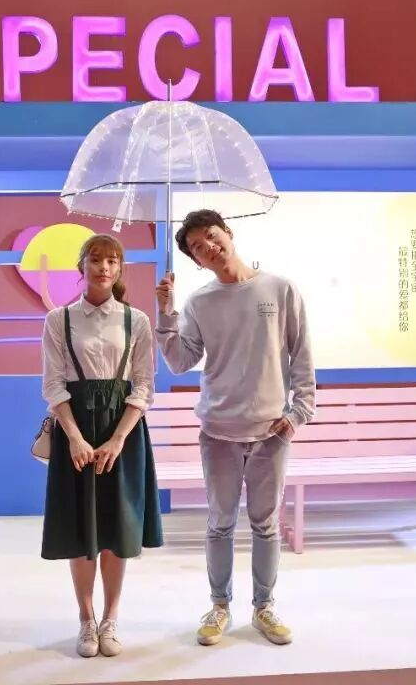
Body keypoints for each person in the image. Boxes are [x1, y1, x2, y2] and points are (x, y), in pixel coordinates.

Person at [154, 209, 315, 647]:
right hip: (218, 432)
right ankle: (219, 606)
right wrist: (165, 315)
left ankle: (264, 607)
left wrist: (299, 414)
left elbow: (301, 354)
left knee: (266, 525)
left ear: (228, 232)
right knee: (220, 524)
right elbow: (181, 361)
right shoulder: (199, 302)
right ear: (195, 261)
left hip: (271, 432)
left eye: (212, 235)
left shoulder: (279, 289)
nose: (208, 247)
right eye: (197, 247)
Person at [40, 233, 164, 658]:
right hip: (75, 430)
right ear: (82, 266)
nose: (104, 268)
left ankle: (111, 619)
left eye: (112, 261)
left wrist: (118, 438)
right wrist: (74, 437)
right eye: (96, 260)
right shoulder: (59, 319)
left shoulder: (136, 320)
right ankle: (86, 619)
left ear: (120, 269)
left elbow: (144, 386)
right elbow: (53, 383)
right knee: (81, 530)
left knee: (117, 529)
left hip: (122, 433)